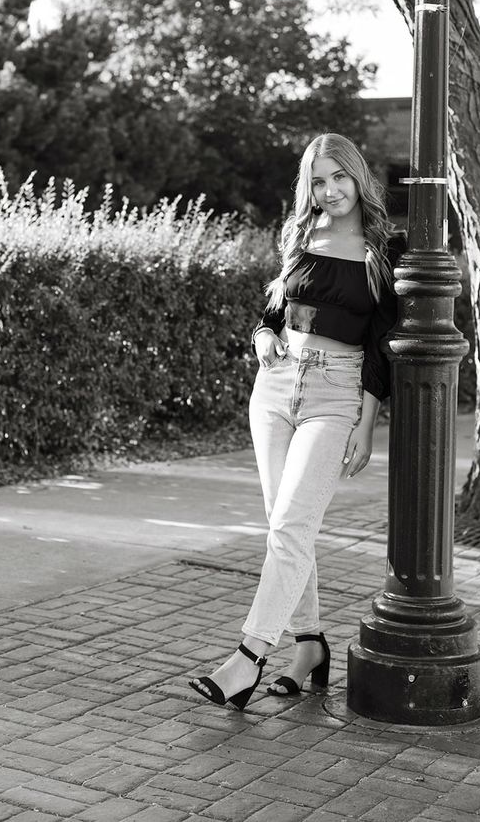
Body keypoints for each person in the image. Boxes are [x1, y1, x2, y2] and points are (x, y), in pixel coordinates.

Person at [188, 133, 405, 711]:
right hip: (277, 385)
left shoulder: (384, 250)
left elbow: (383, 343)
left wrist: (366, 421)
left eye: (339, 177)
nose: (330, 190)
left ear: (358, 178)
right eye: (318, 180)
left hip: (337, 393)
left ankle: (247, 658)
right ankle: (309, 643)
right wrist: (262, 336)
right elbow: (274, 309)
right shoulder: (300, 235)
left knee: (289, 525)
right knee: (286, 529)